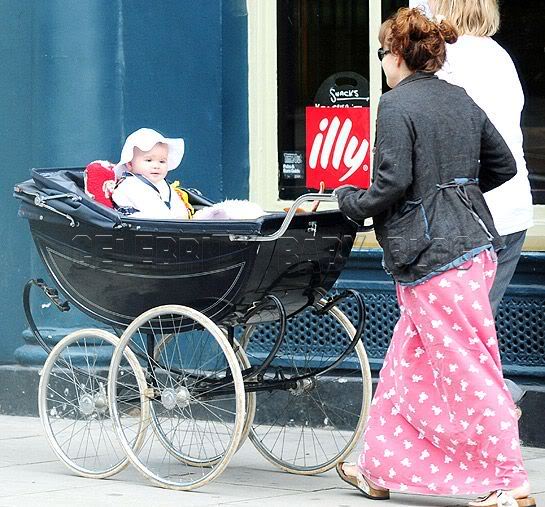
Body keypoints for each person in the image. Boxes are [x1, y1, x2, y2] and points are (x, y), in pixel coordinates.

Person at [334, 8, 535, 507]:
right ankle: (376, 471)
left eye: (384, 53)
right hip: (472, 245)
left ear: (399, 54)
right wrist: (454, 193)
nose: (382, 63)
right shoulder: (459, 99)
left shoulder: (397, 105)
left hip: (433, 257)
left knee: (469, 367)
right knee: (405, 365)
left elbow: (391, 184)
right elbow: (503, 164)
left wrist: (346, 201)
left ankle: (512, 484)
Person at [411, 0, 534, 411]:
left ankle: (498, 416)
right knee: (468, 340)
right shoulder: (499, 57)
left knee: (450, 346)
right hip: (511, 211)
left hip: (463, 224)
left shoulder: (447, 61)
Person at [112, 128, 193, 219]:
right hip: (142, 229)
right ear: (130, 164)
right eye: (149, 160)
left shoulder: (163, 184)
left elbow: (180, 210)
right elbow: (155, 213)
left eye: (162, 161)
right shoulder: (130, 185)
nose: (156, 166)